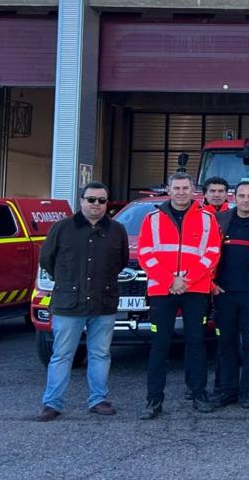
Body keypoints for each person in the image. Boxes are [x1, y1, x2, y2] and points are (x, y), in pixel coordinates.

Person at [35, 182, 129, 421]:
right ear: (81, 201)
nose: (96, 204)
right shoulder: (62, 228)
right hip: (69, 305)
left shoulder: (117, 230)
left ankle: (98, 399)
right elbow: (47, 259)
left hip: (103, 304)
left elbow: (121, 261)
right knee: (62, 355)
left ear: (107, 204)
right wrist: (67, 282)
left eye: (101, 200)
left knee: (100, 354)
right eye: (91, 199)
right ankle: (52, 403)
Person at [138, 172, 222, 419]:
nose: (182, 192)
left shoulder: (207, 218)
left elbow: (212, 253)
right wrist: (170, 280)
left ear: (193, 190)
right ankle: (153, 400)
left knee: (196, 344)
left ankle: (198, 395)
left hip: (194, 290)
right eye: (177, 188)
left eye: (186, 188)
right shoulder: (152, 218)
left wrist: (185, 281)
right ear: (169, 189)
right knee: (159, 346)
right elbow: (145, 253)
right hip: (163, 290)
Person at [212, 181, 249, 408]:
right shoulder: (219, 222)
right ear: (234, 197)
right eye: (241, 196)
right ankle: (228, 391)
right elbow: (206, 253)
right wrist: (211, 284)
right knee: (225, 344)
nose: (245, 200)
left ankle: (247, 391)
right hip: (223, 293)